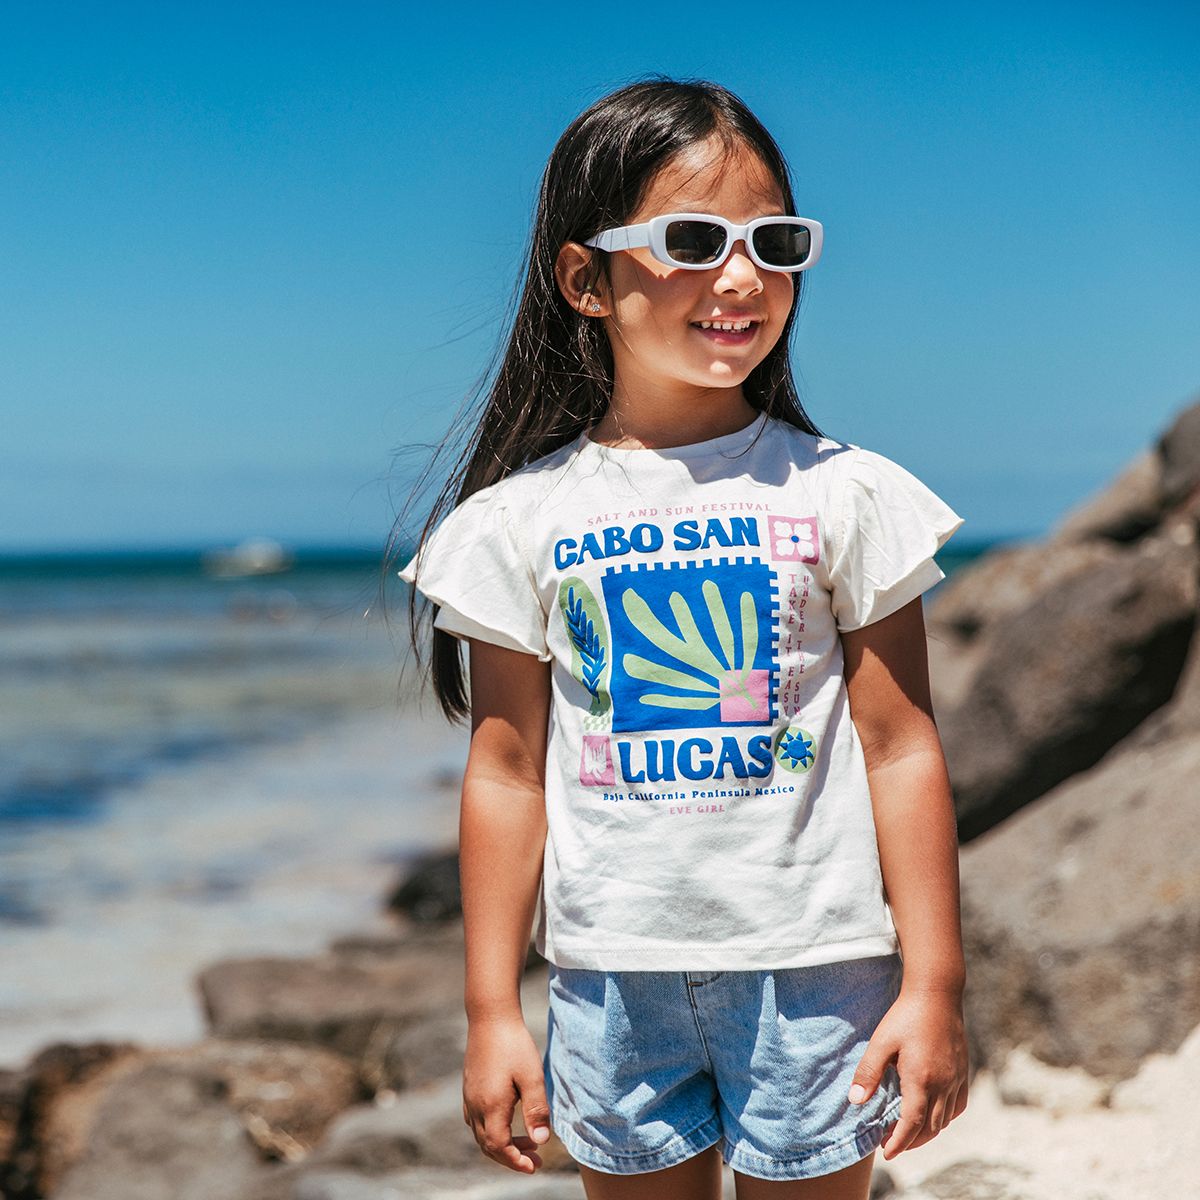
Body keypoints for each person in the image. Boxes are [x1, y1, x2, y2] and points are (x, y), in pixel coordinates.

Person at [394, 76, 969, 1200]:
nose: (743, 277)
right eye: (695, 241)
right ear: (585, 280)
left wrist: (935, 983)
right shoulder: (519, 521)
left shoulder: (844, 494)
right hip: (611, 981)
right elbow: (506, 774)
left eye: (775, 243)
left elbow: (901, 747)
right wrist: (490, 1010)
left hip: (818, 974)